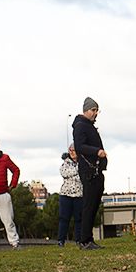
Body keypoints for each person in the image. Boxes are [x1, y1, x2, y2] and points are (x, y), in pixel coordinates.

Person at [72, 97, 107, 250]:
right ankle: (84, 240)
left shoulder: (89, 126)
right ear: (85, 110)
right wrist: (97, 151)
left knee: (93, 205)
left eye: (96, 110)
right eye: (93, 110)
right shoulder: (80, 126)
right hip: (89, 171)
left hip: (96, 170)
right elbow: (79, 146)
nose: (95, 113)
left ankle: (88, 239)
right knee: (89, 205)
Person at [57, 145, 83, 247]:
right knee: (64, 219)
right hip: (65, 195)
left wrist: (75, 173)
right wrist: (78, 171)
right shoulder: (65, 163)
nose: (72, 152)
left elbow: (83, 176)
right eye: (70, 150)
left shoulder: (83, 162)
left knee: (79, 219)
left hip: (79, 195)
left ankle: (79, 240)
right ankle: (61, 240)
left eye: (74, 150)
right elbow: (64, 173)